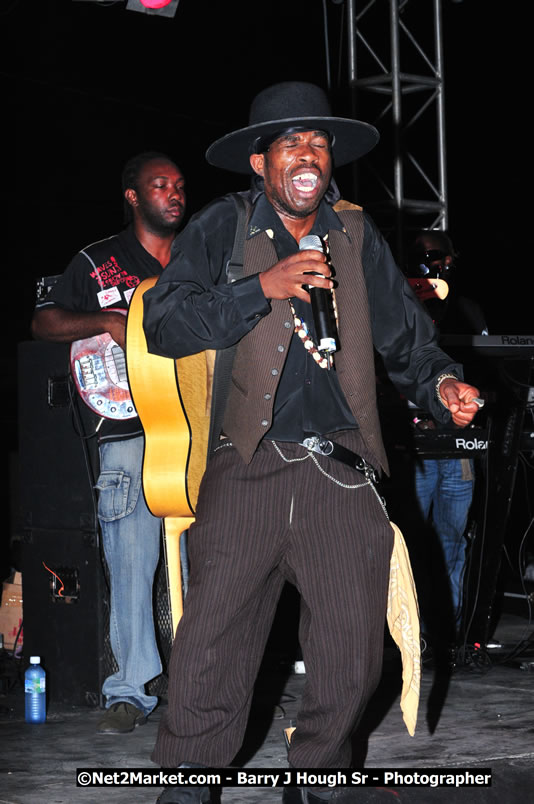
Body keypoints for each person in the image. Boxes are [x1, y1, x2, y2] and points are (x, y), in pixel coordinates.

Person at [141, 82, 481, 804]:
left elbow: (407, 340)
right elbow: (163, 325)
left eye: (318, 143)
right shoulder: (223, 225)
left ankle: (317, 780)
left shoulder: (354, 236)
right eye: (291, 142)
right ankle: (186, 787)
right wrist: (260, 287)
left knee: (354, 655)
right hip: (247, 464)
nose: (308, 154)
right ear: (260, 162)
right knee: (210, 649)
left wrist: (442, 383)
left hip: (341, 467)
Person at [31, 151, 186, 734]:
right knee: (131, 560)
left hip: (195, 428)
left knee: (206, 561)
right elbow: (43, 322)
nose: (174, 193)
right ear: (133, 196)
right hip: (126, 430)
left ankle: (202, 683)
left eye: (179, 185)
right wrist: (106, 322)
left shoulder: (199, 257)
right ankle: (129, 689)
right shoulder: (98, 262)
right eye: (160, 185)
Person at [404, 230, 488, 641]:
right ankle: (412, 634)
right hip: (414, 443)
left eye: (445, 256)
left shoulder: (466, 309)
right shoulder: (403, 304)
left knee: (453, 537)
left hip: (457, 443)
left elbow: (490, 365)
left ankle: (450, 634)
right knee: (411, 540)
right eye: (430, 257)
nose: (439, 264)